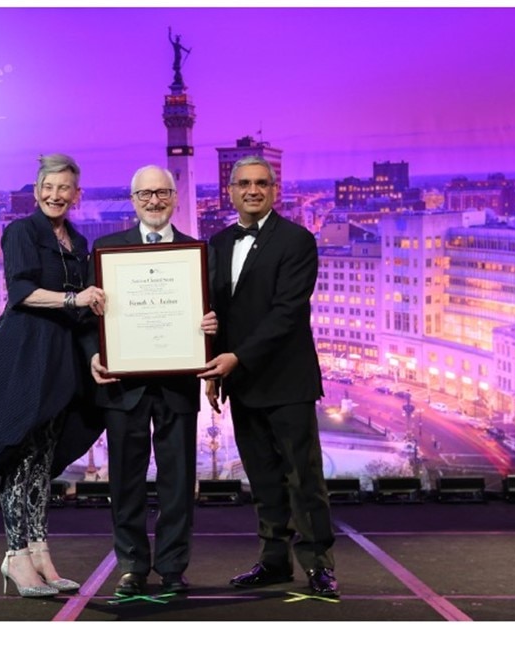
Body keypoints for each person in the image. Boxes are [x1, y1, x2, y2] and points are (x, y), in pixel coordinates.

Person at [198, 156, 339, 601]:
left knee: (304, 478)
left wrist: (235, 358)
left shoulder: (298, 240)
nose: (252, 190)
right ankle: (274, 561)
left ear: (274, 189)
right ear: (231, 190)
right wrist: (214, 368)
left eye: (261, 183)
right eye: (243, 183)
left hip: (287, 379)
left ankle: (318, 563)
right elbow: (214, 316)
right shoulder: (217, 243)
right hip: (241, 381)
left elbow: (287, 313)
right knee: (262, 478)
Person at [0, 154, 106, 598]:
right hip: (25, 353)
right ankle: (14, 556)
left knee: (42, 461)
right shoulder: (21, 232)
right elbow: (21, 291)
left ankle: (40, 551)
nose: (55, 194)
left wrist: (92, 354)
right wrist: (76, 298)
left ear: (76, 195)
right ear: (36, 189)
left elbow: (85, 310)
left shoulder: (77, 241)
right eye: (49, 185)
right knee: (20, 459)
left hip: (59, 357)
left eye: (65, 187)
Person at [88, 165, 217, 597]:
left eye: (162, 193)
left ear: (175, 197)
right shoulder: (106, 249)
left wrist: (213, 326)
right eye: (145, 195)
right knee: (125, 482)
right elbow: (92, 318)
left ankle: (173, 566)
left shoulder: (197, 252)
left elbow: (216, 310)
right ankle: (131, 565)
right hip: (124, 386)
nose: (154, 201)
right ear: (133, 200)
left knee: (177, 483)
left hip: (178, 382)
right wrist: (94, 353)